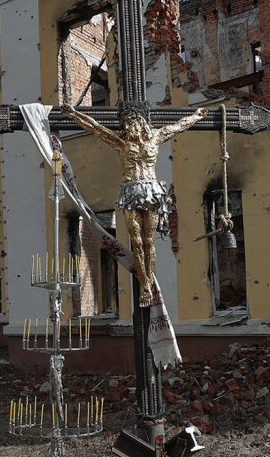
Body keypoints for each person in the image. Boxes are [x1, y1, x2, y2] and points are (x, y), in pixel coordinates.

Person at [60, 101, 208, 306]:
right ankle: (145, 285)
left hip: (152, 191)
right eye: (125, 125)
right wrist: (74, 114)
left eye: (131, 124)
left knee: (149, 241)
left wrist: (197, 116)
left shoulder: (156, 137)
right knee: (136, 241)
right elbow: (95, 127)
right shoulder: (120, 143)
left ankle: (148, 280)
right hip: (130, 192)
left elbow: (179, 125)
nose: (127, 128)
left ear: (140, 124)